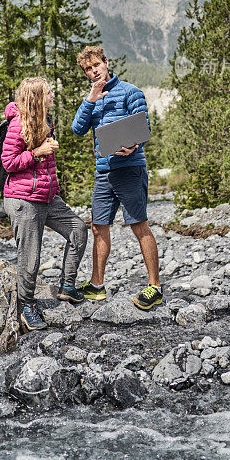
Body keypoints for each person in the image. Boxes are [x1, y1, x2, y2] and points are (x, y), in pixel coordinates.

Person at [71, 45, 162, 310]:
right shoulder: (92, 98)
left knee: (138, 225)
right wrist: (91, 99)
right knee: (99, 226)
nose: (93, 71)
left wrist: (134, 145)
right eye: (88, 69)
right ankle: (97, 286)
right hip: (104, 172)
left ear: (106, 63)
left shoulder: (130, 92)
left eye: (96, 65)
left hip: (130, 168)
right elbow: (77, 129)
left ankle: (154, 286)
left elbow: (143, 127)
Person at [2, 77, 88, 331]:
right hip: (23, 200)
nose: (53, 95)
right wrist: (36, 152)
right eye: (49, 92)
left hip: (47, 197)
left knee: (78, 230)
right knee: (30, 257)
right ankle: (26, 307)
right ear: (38, 98)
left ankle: (67, 286)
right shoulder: (18, 124)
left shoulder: (45, 122)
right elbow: (9, 163)